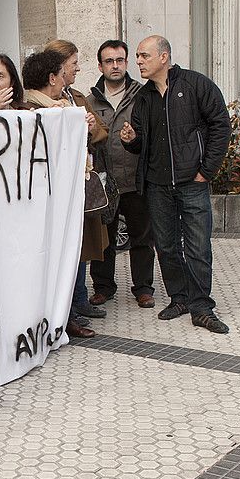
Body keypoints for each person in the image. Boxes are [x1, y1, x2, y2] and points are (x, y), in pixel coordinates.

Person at [121, 34, 232, 334]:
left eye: (144, 56)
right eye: (138, 57)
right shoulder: (143, 98)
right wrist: (132, 141)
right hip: (157, 186)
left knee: (197, 247)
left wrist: (205, 171)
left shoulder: (196, 85)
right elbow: (142, 143)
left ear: (163, 57)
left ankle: (201, 307)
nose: (139, 61)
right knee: (167, 247)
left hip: (192, 183)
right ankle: (179, 298)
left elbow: (222, 125)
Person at [22, 49, 107, 340]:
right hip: (48, 199)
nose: (66, 80)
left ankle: (68, 313)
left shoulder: (59, 107)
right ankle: (63, 318)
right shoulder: (34, 111)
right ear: (52, 78)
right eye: (63, 72)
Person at [44, 39, 112, 336]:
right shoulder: (39, 102)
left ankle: (81, 300)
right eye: (73, 64)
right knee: (68, 245)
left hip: (83, 180)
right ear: (57, 70)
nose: (78, 68)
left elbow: (101, 132)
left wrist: (90, 127)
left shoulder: (78, 96)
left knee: (83, 241)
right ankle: (70, 307)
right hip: (61, 186)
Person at [88, 39, 155, 309]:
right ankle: (103, 287)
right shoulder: (90, 100)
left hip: (136, 179)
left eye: (120, 60)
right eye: (109, 61)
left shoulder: (142, 95)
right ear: (100, 65)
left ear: (126, 62)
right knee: (104, 239)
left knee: (142, 238)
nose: (115, 66)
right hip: (105, 182)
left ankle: (143, 288)